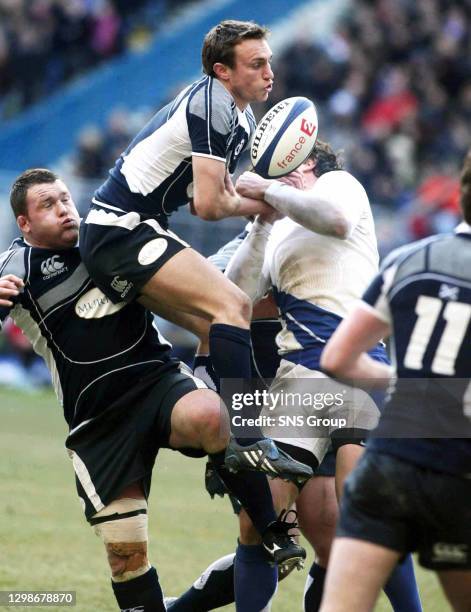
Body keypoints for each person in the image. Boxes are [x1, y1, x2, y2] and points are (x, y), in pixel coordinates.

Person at [0, 168, 301, 612]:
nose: (65, 209)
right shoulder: (14, 267)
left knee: (212, 415)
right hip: (98, 422)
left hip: (156, 381)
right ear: (24, 225)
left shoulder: (107, 239)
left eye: (66, 198)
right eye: (48, 204)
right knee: (127, 560)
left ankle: (270, 529)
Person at [167, 140, 421, 611]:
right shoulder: (275, 228)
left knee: (365, 520)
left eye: (284, 170)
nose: (273, 182)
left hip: (359, 368)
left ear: (306, 163)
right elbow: (232, 301)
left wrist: (269, 190)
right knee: (261, 527)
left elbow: (335, 221)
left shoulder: (339, 187)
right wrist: (262, 222)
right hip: (297, 378)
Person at [318, 150, 471, 612]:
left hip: (387, 466)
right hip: (458, 473)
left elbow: (338, 358)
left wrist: (409, 382)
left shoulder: (407, 258)